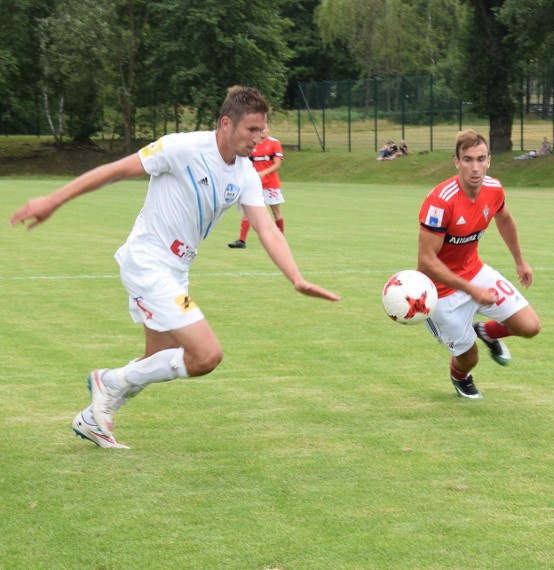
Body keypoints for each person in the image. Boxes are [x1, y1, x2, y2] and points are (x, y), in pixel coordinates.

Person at [8, 86, 341, 448]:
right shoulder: (182, 148)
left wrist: (296, 277)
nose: (259, 139)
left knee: (156, 360)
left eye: (262, 131)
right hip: (149, 262)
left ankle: (92, 419)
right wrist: (53, 200)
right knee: (206, 355)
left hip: (177, 271)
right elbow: (115, 171)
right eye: (251, 130)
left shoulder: (245, 173)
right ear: (226, 123)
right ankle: (109, 380)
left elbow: (266, 230)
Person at [417, 129, 541, 399]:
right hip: (441, 291)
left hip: (476, 272)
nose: (475, 168)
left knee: (530, 326)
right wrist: (472, 291)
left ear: (489, 160)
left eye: (480, 159)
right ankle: (459, 376)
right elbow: (426, 261)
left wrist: (520, 262)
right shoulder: (440, 201)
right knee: (469, 357)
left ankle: (484, 330)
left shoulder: (494, 189)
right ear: (456, 162)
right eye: (468, 160)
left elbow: (505, 219)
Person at [228, 127, 285, 248]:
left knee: (275, 211)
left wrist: (263, 173)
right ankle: (242, 241)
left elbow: (277, 164)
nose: (262, 131)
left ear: (268, 129)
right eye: (260, 130)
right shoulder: (252, 144)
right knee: (247, 211)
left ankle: (280, 239)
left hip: (271, 184)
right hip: (254, 184)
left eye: (264, 129)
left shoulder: (274, 143)